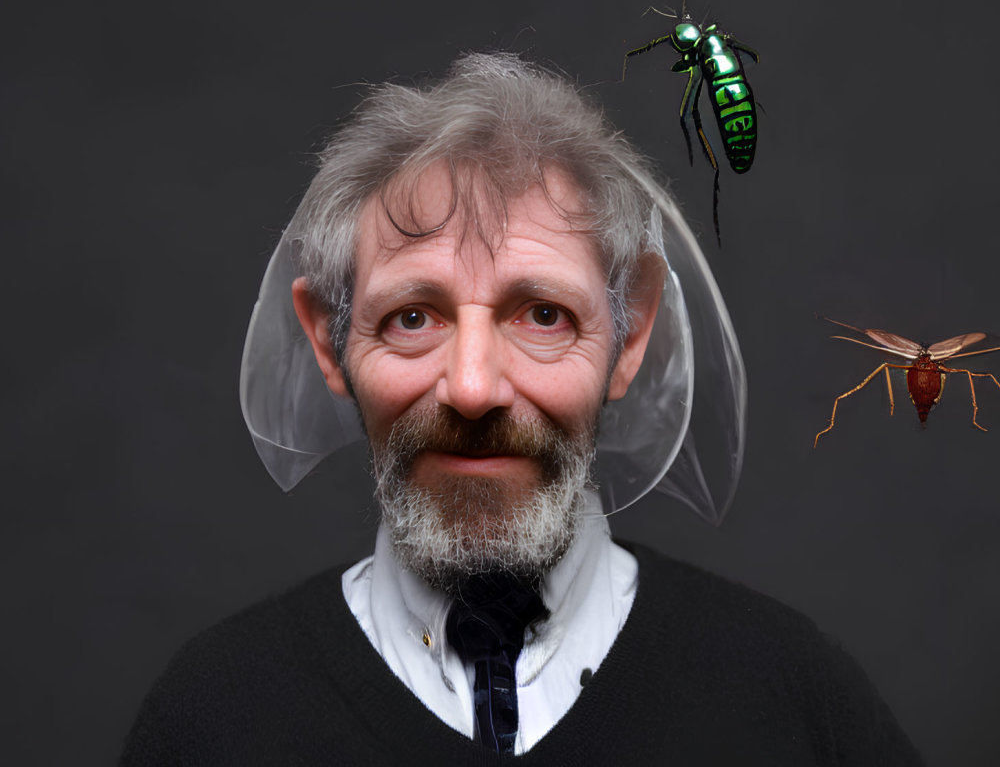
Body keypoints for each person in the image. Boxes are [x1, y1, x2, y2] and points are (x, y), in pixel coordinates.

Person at [122, 52, 922, 765]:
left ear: (631, 331)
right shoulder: (211, 723)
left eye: (543, 314)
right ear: (329, 345)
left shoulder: (790, 699)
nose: (473, 388)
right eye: (412, 317)